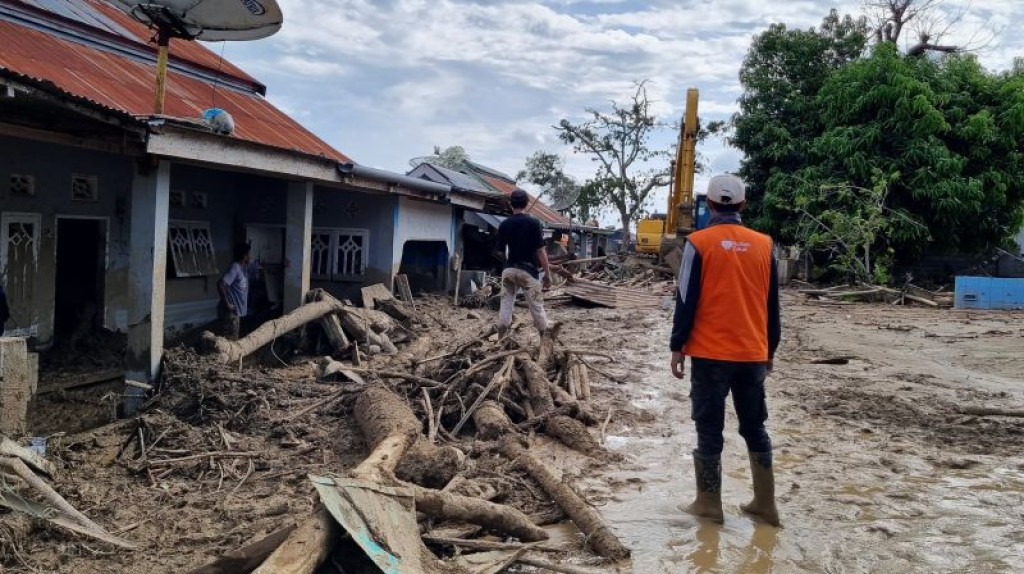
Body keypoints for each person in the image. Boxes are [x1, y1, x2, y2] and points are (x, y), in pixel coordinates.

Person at [670, 174, 782, 526]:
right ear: (743, 205)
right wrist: (770, 350)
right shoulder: (766, 245)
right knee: (754, 426)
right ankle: (765, 505)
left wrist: (677, 345)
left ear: (711, 204)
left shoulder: (698, 243)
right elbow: (772, 306)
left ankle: (709, 504)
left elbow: (685, 298)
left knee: (708, 428)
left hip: (709, 353)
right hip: (752, 353)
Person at [497, 189, 552, 335]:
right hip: (528, 271)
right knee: (537, 307)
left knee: (506, 305)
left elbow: (500, 252)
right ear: (527, 203)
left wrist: (506, 267)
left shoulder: (504, 224)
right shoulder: (534, 223)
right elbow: (541, 251)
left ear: (510, 204)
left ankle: (502, 339)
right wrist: (547, 274)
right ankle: (545, 340)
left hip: (509, 271)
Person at [217, 243, 252, 340]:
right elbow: (220, 284)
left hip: (235, 313)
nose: (250, 256)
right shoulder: (235, 268)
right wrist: (228, 304)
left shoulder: (243, 268)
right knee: (230, 340)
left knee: (232, 339)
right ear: (245, 256)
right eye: (249, 254)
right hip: (230, 313)